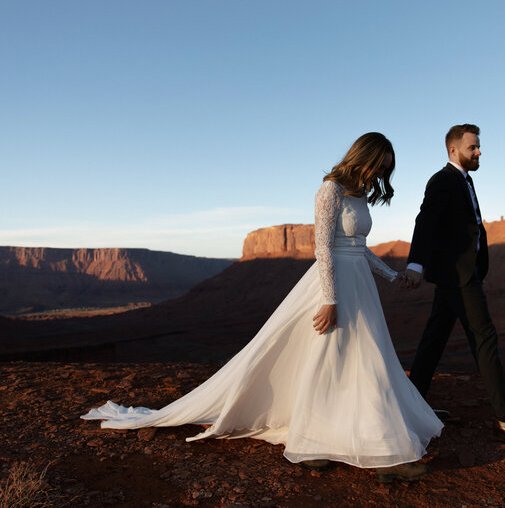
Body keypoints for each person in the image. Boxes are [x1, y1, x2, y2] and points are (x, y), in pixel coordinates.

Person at [82, 132, 442, 483]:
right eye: (379, 166)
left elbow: (359, 247)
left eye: (385, 170)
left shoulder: (360, 194)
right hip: (333, 286)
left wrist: (393, 277)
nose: (380, 175)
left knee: (362, 359)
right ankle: (322, 443)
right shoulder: (329, 190)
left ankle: (356, 444)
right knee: (329, 358)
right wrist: (329, 299)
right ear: (363, 157)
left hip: (360, 284)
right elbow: (323, 248)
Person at [404, 124, 505, 444]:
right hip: (459, 276)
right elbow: (424, 221)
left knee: (434, 338)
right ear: (453, 150)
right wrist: (415, 263)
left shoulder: (464, 180)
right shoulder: (443, 180)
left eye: (479, 146)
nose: (479, 152)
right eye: (473, 147)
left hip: (458, 274)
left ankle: (412, 405)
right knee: (485, 340)